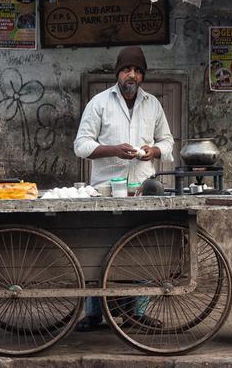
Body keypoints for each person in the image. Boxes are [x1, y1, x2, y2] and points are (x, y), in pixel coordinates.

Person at [73, 46, 174, 331]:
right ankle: (94, 312)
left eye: (138, 70)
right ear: (118, 72)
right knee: (97, 248)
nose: (132, 75)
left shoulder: (152, 104)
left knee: (141, 249)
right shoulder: (99, 103)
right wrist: (113, 150)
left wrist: (152, 151)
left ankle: (137, 312)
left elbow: (168, 142)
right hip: (105, 190)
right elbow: (81, 145)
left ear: (143, 76)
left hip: (143, 189)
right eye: (127, 69)